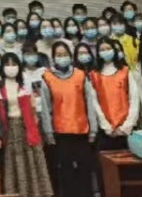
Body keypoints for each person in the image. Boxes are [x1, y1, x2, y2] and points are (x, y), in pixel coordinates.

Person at [40, 42, 98, 198]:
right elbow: (45, 108)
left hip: (82, 131)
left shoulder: (80, 75)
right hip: (60, 133)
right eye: (58, 55)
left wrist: (93, 129)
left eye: (65, 54)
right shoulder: (47, 78)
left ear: (71, 56)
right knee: (66, 173)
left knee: (85, 171)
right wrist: (48, 133)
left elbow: (90, 102)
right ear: (53, 58)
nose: (62, 57)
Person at [0, 53, 54, 198]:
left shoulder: (25, 83)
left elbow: (34, 106)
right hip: (10, 129)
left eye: (14, 64)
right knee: (14, 164)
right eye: (7, 64)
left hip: (27, 127)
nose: (11, 67)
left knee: (32, 164)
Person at [91, 38, 140, 151]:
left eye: (108, 48)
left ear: (114, 50)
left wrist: (127, 125)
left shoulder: (125, 71)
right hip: (105, 130)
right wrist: (106, 126)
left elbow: (134, 99)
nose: (106, 51)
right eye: (102, 49)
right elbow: (95, 103)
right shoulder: (94, 75)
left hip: (126, 128)